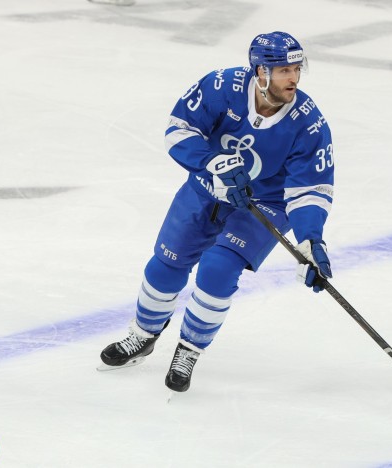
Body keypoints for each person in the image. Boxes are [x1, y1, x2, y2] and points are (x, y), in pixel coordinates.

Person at [98, 31, 335, 393]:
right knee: (166, 263)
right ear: (261, 72)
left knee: (218, 269)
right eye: (284, 70)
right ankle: (143, 335)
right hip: (206, 185)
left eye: (296, 69)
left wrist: (310, 239)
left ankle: (189, 350)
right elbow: (179, 129)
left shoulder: (309, 123)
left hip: (263, 202)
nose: (294, 78)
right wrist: (212, 163)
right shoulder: (221, 86)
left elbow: (310, 189)